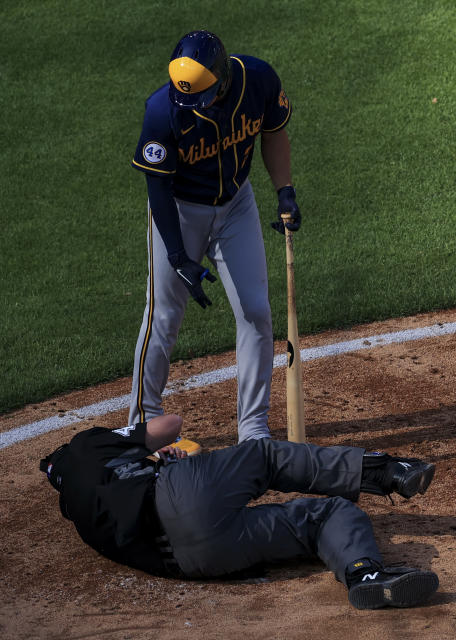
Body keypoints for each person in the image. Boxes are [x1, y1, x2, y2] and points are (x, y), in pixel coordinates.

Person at [38, 415, 440, 609]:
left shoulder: (80, 516)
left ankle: (363, 575)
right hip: (179, 494)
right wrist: (148, 451)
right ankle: (388, 471)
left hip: (194, 560)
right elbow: (170, 425)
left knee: (320, 520)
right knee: (265, 457)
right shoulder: (85, 444)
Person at [128, 30, 301, 442]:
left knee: (256, 312)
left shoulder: (258, 79)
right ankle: (142, 424)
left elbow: (273, 132)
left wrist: (285, 190)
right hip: (179, 211)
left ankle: (253, 427)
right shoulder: (161, 111)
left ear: (222, 80)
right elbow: (158, 188)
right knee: (164, 315)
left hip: (237, 205)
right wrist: (178, 256)